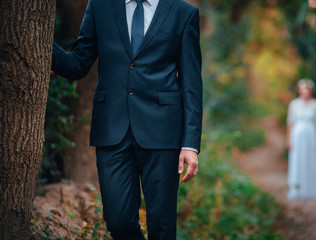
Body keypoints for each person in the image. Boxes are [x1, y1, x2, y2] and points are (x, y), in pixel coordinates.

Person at [51, 0, 203, 239]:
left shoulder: (184, 13)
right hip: (112, 131)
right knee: (118, 221)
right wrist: (38, 42)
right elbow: (78, 64)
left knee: (162, 227)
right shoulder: (100, 7)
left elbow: (191, 84)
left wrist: (190, 144)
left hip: (164, 134)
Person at [286, 79, 316, 200]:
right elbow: (290, 123)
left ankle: (311, 190)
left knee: (311, 160)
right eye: (303, 89)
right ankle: (296, 190)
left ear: (311, 91)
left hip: (311, 134)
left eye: (308, 89)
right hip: (297, 135)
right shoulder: (294, 104)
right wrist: (288, 139)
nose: (306, 92)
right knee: (297, 160)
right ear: (299, 91)